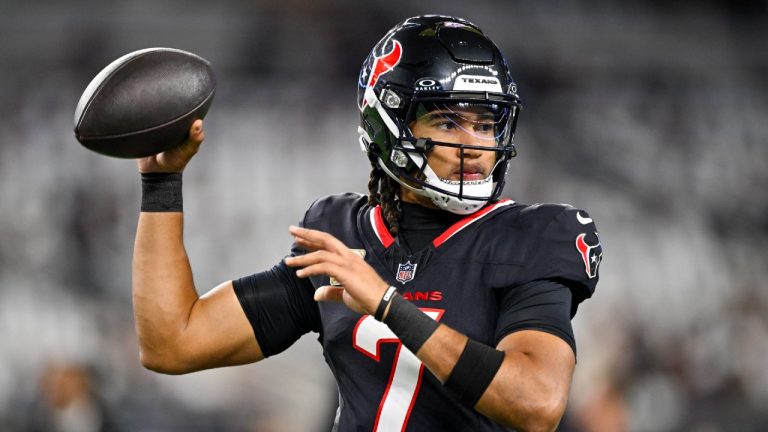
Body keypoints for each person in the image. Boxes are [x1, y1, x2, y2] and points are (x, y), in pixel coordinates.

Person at [132, 15, 603, 432]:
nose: (475, 145)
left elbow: (537, 404)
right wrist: (161, 183)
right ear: (389, 125)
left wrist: (388, 304)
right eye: (447, 123)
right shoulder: (342, 236)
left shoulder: (532, 236)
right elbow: (172, 343)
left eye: (484, 124)